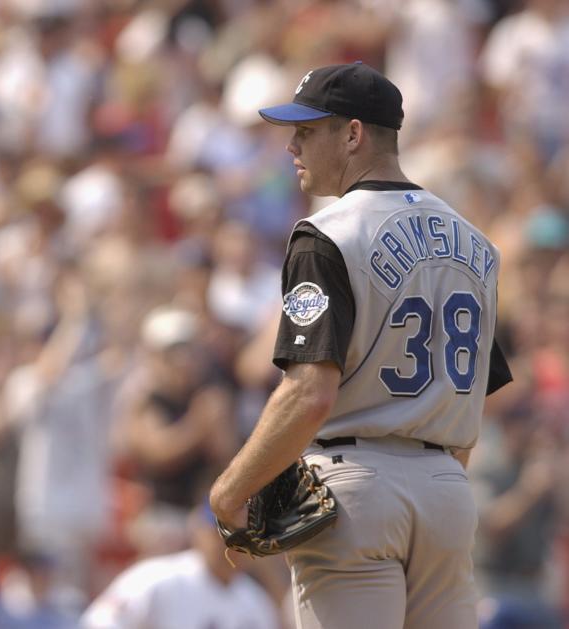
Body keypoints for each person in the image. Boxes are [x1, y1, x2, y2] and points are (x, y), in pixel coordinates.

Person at [209, 62, 514, 629]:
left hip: (357, 486)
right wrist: (435, 478)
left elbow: (309, 395)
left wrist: (230, 491)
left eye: (306, 130)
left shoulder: (329, 232)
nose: (292, 146)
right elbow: (472, 391)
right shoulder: (477, 244)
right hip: (447, 491)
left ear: (353, 134)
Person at [81, 502, 280, 629]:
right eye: (219, 534)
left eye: (241, 538)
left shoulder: (257, 603)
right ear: (198, 532)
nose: (229, 545)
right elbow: (99, 622)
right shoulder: (157, 578)